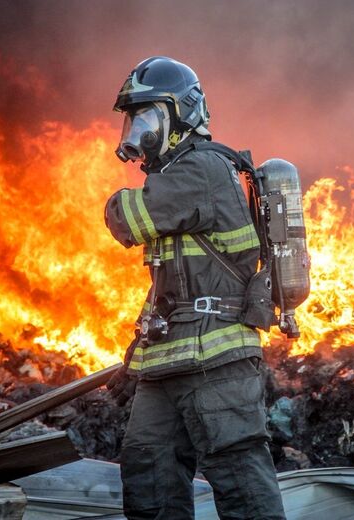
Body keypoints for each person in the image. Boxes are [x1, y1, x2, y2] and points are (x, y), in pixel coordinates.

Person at [103, 56, 286, 520]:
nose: (134, 134)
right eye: (132, 120)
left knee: (240, 484)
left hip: (217, 361)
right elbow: (174, 282)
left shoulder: (201, 169)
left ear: (178, 115)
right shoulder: (178, 178)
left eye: (144, 119)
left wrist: (117, 200)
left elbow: (126, 218)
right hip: (171, 362)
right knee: (148, 479)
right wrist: (138, 347)